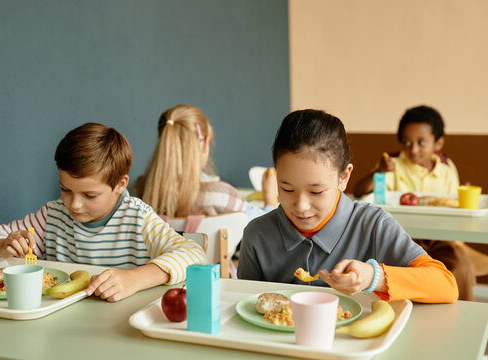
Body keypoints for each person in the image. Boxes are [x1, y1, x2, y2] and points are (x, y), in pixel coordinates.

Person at [237, 109, 458, 303]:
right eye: (286, 188)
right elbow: (245, 305)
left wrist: (373, 277)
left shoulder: (372, 225)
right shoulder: (257, 234)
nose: (301, 206)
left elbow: (446, 285)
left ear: (344, 177)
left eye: (316, 191)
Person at [0, 123, 207, 302]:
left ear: (120, 184)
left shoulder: (137, 218)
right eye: (65, 189)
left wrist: (135, 279)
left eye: (89, 195)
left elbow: (194, 254)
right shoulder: (52, 215)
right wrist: (1, 245)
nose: (74, 204)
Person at [353, 105, 476, 300]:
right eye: (407, 143)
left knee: (460, 268)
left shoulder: (445, 171)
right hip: (402, 238)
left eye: (421, 142)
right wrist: (378, 173)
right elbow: (359, 192)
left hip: (439, 240)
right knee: (394, 274)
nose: (413, 149)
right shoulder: (391, 165)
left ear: (438, 143)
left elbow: (453, 208)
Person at [131, 104, 278, 220]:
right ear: (205, 143)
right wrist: (270, 199)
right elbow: (267, 227)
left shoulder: (138, 191)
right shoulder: (220, 196)